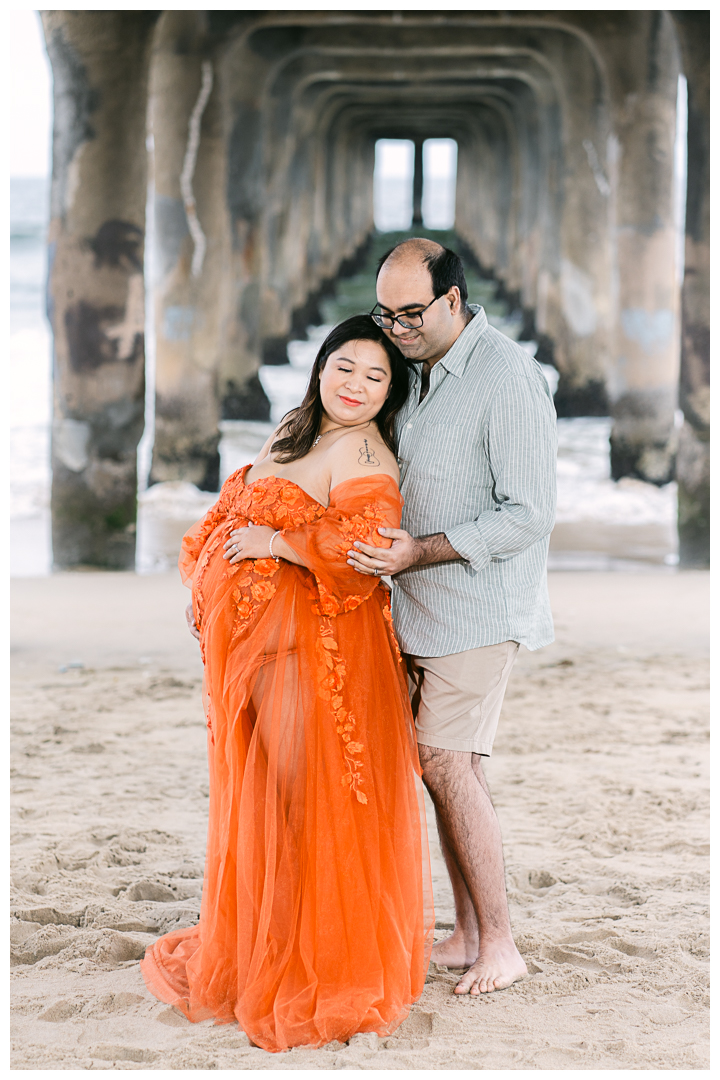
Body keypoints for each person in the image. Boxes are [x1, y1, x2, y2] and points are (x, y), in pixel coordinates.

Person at [140, 315, 434, 1052]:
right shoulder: (295, 430)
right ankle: (266, 944)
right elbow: (228, 510)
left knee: (307, 800)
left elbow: (370, 541)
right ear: (321, 366)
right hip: (248, 654)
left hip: (312, 652)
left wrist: (282, 542)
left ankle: (318, 960)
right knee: (264, 795)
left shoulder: (365, 449)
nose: (357, 386)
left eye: (377, 376)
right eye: (346, 367)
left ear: (392, 389)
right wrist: (210, 579)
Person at [348, 238, 557, 997]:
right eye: (386, 313)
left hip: (479, 607)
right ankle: (468, 931)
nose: (396, 329)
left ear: (453, 301)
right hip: (417, 606)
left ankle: (500, 943)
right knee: (442, 770)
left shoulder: (508, 379)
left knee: (445, 763)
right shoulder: (422, 369)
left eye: (411, 313)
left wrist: (420, 552)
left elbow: (529, 514)